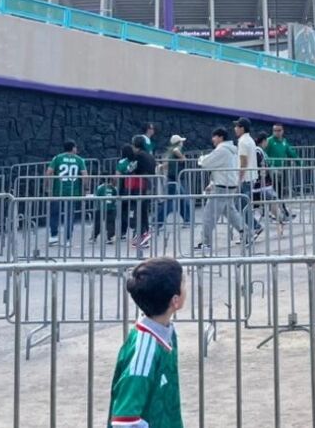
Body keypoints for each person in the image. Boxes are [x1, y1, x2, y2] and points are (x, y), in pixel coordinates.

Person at [108, 257, 185, 428]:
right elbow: (124, 419)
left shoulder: (166, 333)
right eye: (184, 284)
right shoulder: (144, 351)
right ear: (175, 300)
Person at [196, 128, 246, 251]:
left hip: (222, 187)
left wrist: (201, 158)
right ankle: (247, 233)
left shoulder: (222, 150)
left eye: (214, 137)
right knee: (230, 212)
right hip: (229, 185)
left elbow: (206, 162)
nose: (212, 139)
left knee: (209, 214)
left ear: (220, 137)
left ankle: (206, 243)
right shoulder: (232, 150)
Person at [45, 140, 88, 245]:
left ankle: (53, 236)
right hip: (73, 191)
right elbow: (85, 175)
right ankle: (68, 239)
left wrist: (47, 186)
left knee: (54, 213)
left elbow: (49, 172)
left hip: (58, 191)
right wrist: (85, 189)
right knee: (69, 215)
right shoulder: (79, 160)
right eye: (76, 147)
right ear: (73, 148)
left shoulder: (57, 158)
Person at [233, 118, 264, 241]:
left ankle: (254, 227)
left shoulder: (243, 142)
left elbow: (243, 162)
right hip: (250, 177)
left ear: (242, 128)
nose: (235, 129)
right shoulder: (250, 140)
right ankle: (250, 230)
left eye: (237, 126)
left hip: (245, 179)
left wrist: (238, 180)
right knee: (242, 206)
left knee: (240, 207)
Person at [254, 132, 293, 227]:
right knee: (260, 203)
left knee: (271, 201)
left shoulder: (260, 151)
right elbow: (262, 166)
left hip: (264, 183)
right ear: (263, 141)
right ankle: (255, 225)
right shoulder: (258, 151)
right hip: (261, 183)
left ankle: (280, 219)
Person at [125, 136, 158, 249]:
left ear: (134, 145)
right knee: (143, 211)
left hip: (141, 186)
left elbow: (130, 169)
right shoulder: (149, 155)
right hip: (149, 186)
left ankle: (142, 235)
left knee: (139, 211)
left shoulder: (138, 156)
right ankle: (144, 236)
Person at [155, 135, 193, 232]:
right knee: (171, 202)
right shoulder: (176, 150)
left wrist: (161, 166)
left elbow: (167, 163)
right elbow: (177, 154)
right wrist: (182, 158)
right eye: (181, 141)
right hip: (175, 178)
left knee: (182, 199)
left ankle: (187, 220)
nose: (182, 143)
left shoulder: (170, 152)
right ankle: (157, 222)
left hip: (174, 178)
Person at [263, 123, 300, 198]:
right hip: (271, 170)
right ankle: (278, 205)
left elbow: (291, 152)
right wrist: (269, 164)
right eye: (275, 130)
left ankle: (279, 205)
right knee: (275, 189)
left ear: (282, 131)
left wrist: (300, 162)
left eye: (279, 130)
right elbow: (264, 153)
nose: (277, 132)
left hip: (281, 169)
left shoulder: (284, 141)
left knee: (279, 188)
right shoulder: (269, 141)